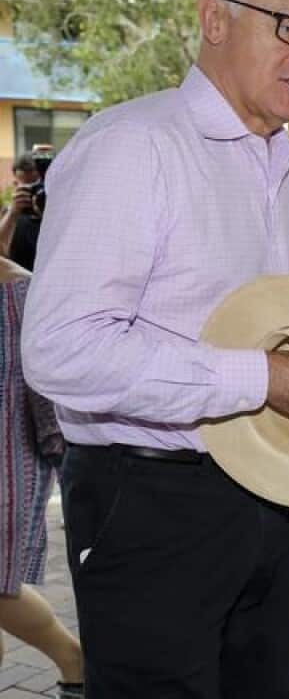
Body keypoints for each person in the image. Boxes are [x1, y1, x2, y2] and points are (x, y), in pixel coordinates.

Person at [20, 0, 289, 695]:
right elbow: (60, 348)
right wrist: (265, 378)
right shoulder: (134, 145)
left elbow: (243, 323)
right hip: (148, 500)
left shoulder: (282, 163)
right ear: (213, 19)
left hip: (264, 491)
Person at [0, 256, 83, 699]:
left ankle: (75, 661)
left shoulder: (23, 291)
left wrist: (61, 456)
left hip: (9, 462)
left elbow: (46, 392)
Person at [0, 152, 45, 270]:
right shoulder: (9, 215)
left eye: (37, 188)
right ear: (16, 184)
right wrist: (13, 213)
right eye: (27, 188)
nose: (32, 194)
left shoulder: (55, 211)